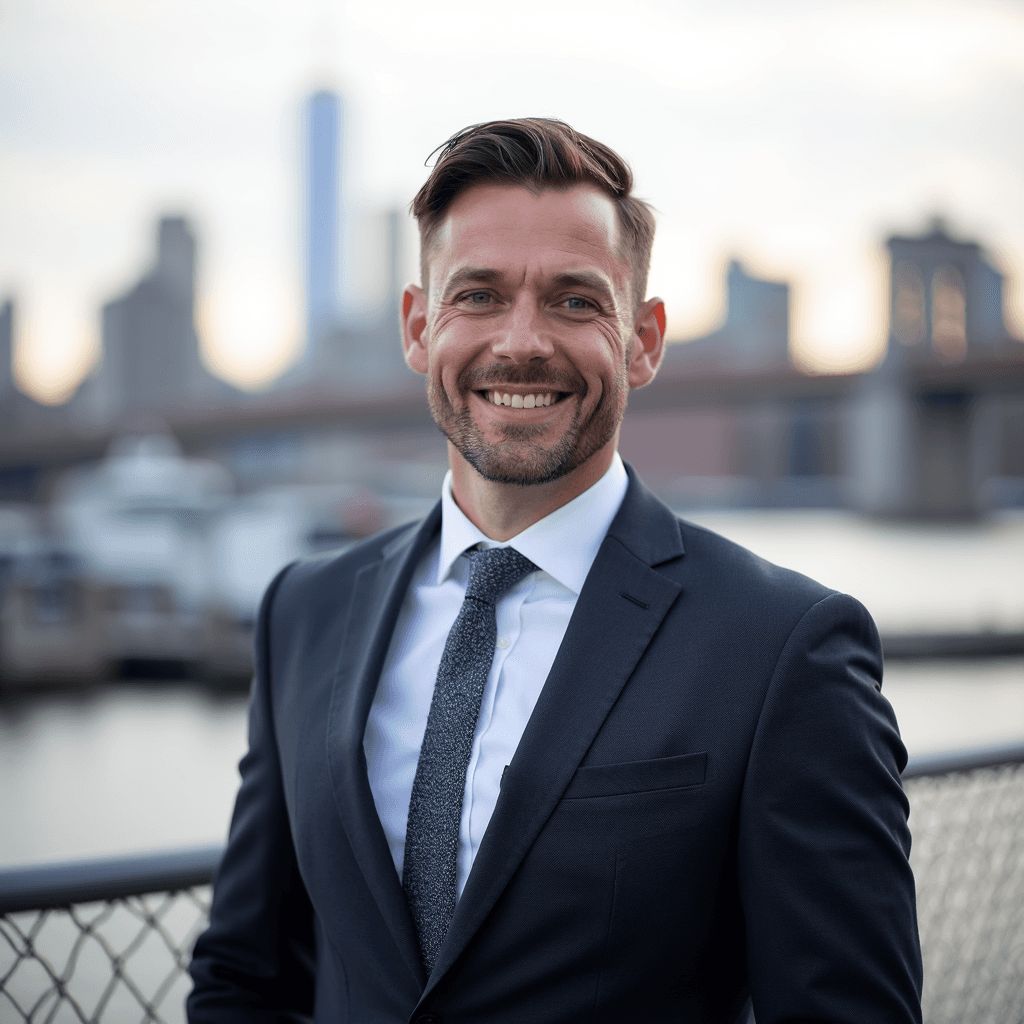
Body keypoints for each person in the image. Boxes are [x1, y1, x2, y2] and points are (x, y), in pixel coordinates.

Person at [187, 118, 922, 1023]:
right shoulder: (304, 611)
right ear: (421, 327)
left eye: (575, 301)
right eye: (480, 296)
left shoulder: (781, 649)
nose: (522, 342)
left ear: (644, 340)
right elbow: (243, 976)